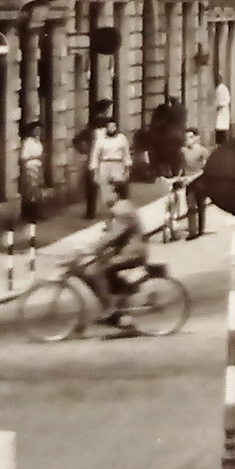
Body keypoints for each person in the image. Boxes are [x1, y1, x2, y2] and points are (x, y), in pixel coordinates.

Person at [81, 195, 149, 324]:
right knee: (99, 269)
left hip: (132, 252)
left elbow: (114, 235)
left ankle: (110, 310)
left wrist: (93, 247)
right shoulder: (120, 207)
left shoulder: (123, 210)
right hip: (126, 250)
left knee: (100, 271)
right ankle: (117, 304)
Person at [88, 119, 133, 216]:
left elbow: (126, 154)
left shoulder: (122, 138)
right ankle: (110, 211)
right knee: (106, 192)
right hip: (104, 165)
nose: (112, 129)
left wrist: (127, 170)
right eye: (110, 127)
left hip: (117, 164)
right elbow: (95, 156)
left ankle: (117, 213)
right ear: (106, 128)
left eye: (114, 127)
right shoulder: (100, 140)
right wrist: (95, 173)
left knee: (118, 189)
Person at [177, 128, 211, 239]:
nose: (188, 140)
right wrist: (178, 177)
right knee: (190, 206)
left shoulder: (203, 151)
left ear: (197, 138)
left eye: (191, 137)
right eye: (186, 137)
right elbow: (182, 166)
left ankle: (201, 229)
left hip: (200, 182)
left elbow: (205, 169)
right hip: (189, 182)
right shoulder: (183, 151)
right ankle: (192, 232)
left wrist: (192, 177)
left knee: (201, 205)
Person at [18, 123, 45, 221]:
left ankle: (37, 213)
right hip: (30, 168)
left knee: (38, 192)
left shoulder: (39, 142)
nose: (38, 132)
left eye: (39, 130)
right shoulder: (27, 143)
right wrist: (35, 157)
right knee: (30, 192)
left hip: (38, 167)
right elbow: (24, 158)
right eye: (36, 130)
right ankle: (28, 215)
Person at [213, 75, 232, 145]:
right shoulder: (220, 88)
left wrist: (218, 105)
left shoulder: (222, 88)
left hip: (222, 110)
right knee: (219, 126)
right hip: (221, 111)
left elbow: (226, 100)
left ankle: (221, 142)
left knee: (221, 127)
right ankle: (220, 142)